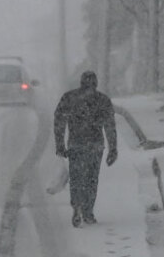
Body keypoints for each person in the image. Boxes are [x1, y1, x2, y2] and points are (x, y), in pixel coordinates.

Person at [54, 70, 118, 227]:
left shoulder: (69, 98)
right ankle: (88, 211)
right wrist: (113, 148)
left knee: (76, 177)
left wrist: (60, 144)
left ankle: (76, 205)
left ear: (81, 82)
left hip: (76, 144)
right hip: (95, 145)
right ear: (96, 83)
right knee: (91, 178)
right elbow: (110, 125)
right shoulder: (102, 100)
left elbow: (59, 121)